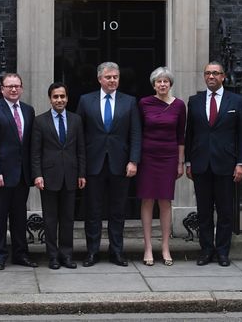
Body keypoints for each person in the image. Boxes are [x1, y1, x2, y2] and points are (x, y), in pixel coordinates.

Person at [76, 61, 142, 267]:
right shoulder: (85, 101)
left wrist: (133, 160)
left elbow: (135, 133)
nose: (112, 80)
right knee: (93, 211)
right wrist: (81, 166)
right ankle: (92, 252)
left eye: (115, 77)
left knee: (117, 211)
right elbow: (78, 135)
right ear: (99, 79)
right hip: (94, 164)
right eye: (108, 77)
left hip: (120, 164)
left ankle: (117, 252)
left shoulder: (129, 102)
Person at [185, 61, 242, 267]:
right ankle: (206, 250)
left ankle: (222, 252)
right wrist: (188, 161)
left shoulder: (236, 101)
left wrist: (241, 163)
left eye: (215, 73)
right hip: (201, 164)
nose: (211, 77)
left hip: (226, 164)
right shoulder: (194, 101)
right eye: (207, 73)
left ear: (223, 76)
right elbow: (190, 134)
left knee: (225, 211)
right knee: (204, 211)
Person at [0, 73, 37, 270]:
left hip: (22, 175)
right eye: (9, 86)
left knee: (19, 216)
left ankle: (20, 254)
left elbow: (30, 144)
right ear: (2, 89)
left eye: (17, 86)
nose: (13, 89)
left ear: (21, 88)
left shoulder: (28, 111)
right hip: (1, 176)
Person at [31, 82, 86, 270]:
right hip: (48, 177)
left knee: (68, 219)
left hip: (70, 176)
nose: (59, 100)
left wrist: (81, 173)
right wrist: (37, 175)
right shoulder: (39, 121)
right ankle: (53, 257)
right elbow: (35, 152)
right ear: (50, 99)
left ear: (67, 98)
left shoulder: (76, 120)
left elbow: (81, 150)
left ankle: (66, 255)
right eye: (56, 97)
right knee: (50, 219)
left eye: (62, 96)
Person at [136, 67, 186, 266]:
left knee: (165, 202)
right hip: (148, 157)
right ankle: (148, 247)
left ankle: (165, 247)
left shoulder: (179, 106)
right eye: (159, 81)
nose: (162, 84)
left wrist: (180, 163)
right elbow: (137, 131)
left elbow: (181, 136)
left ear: (170, 84)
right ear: (153, 85)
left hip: (169, 157)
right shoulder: (144, 103)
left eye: (166, 81)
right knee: (147, 200)